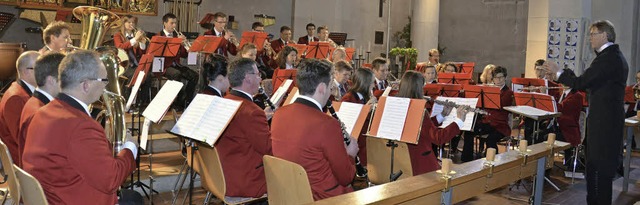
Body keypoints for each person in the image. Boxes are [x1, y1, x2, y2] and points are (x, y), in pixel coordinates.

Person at [22, 50, 141, 204]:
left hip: (53, 195)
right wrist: (130, 147)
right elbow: (111, 180)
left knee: (132, 197)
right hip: (76, 199)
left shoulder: (44, 111)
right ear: (86, 85)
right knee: (133, 199)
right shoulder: (81, 126)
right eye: (104, 80)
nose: (106, 85)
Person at [546, 21, 627, 204]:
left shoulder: (608, 58)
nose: (590, 38)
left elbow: (582, 83)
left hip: (604, 124)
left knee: (598, 170)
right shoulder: (613, 56)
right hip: (607, 122)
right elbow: (589, 82)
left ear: (604, 35)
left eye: (593, 34)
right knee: (598, 171)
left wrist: (559, 73)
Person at [271, 58, 358, 200]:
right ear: (322, 88)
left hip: (289, 194)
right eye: (331, 86)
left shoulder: (279, 113)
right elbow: (346, 177)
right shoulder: (327, 125)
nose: (331, 91)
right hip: (322, 198)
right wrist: (350, 154)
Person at [217, 58, 272, 198]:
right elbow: (270, 149)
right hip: (247, 182)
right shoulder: (252, 112)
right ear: (248, 78)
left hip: (222, 176)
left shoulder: (223, 102)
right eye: (258, 74)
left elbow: (240, 129)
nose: (260, 78)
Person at [396, 71, 468, 175]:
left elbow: (423, 127)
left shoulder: (395, 104)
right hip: (418, 162)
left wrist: (442, 115)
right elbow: (439, 138)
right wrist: (459, 120)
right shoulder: (418, 110)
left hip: (401, 159)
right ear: (418, 89)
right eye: (422, 88)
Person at [17, 52, 64, 167]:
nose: (70, 83)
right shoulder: (41, 112)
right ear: (51, 80)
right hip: (45, 180)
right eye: (65, 78)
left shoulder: (35, 102)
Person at [461, 66, 513, 162]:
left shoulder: (508, 92)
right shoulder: (487, 90)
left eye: (501, 77)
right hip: (487, 122)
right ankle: (466, 160)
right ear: (493, 79)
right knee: (469, 131)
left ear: (505, 77)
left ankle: (492, 161)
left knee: (491, 139)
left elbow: (499, 104)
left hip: (500, 126)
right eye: (496, 77)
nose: (499, 80)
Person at [0, 51, 39, 164]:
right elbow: (22, 140)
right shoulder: (17, 97)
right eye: (39, 68)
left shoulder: (19, 91)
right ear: (26, 71)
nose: (44, 72)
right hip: (21, 161)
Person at [157, 13, 198, 110]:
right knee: (176, 74)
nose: (174, 26)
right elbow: (164, 53)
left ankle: (186, 101)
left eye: (175, 23)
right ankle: (176, 103)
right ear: (164, 23)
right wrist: (176, 42)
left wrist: (186, 46)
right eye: (172, 23)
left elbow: (183, 55)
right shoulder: (159, 36)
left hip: (176, 65)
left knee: (194, 75)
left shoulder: (176, 36)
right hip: (164, 66)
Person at [341, 68, 376, 166]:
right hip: (357, 143)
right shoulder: (348, 98)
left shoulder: (365, 97)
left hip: (366, 140)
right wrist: (366, 109)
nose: (373, 86)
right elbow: (347, 125)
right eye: (372, 83)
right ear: (364, 83)